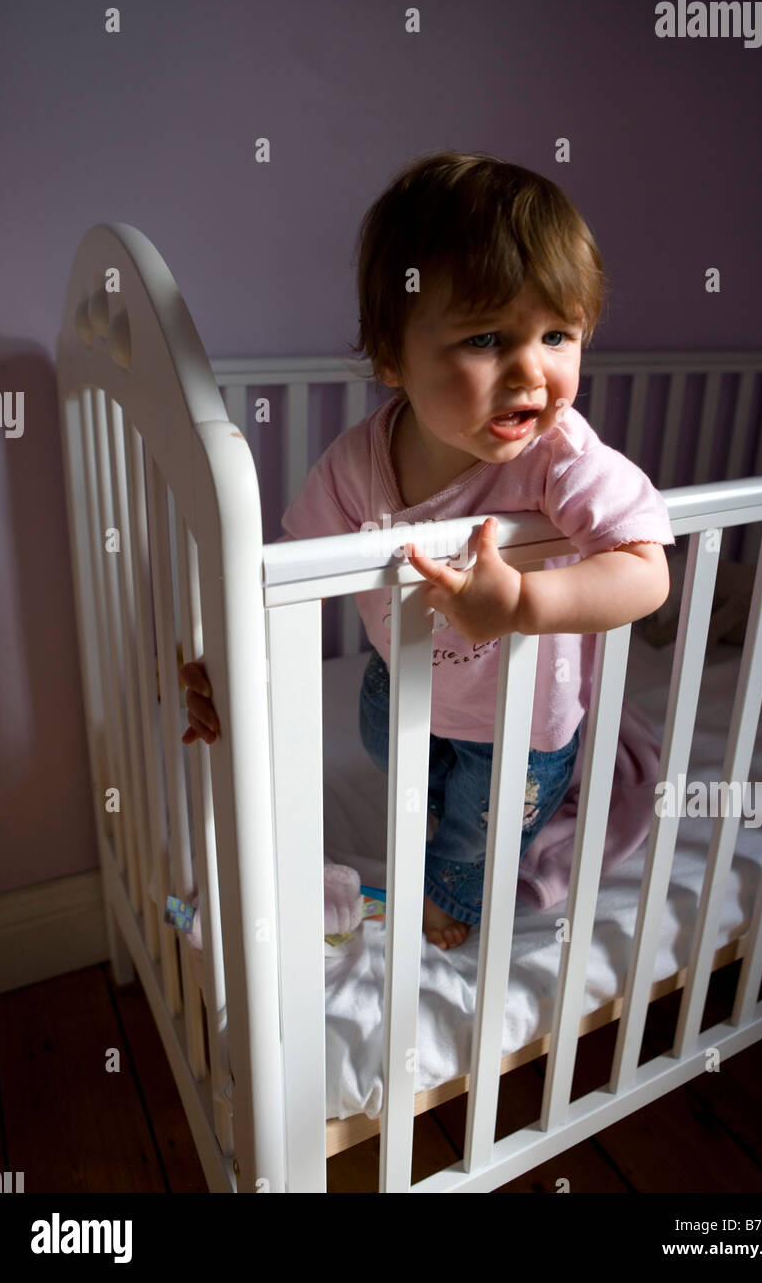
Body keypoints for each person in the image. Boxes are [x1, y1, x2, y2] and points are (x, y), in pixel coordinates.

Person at [180, 150, 673, 951]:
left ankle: (453, 899)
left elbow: (644, 570)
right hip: (398, 688)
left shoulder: (563, 462)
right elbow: (287, 584)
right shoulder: (354, 464)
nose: (530, 371)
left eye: (557, 335)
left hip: (519, 723)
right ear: (390, 358)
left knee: (472, 836)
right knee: (415, 775)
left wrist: (524, 604)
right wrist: (226, 665)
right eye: (486, 337)